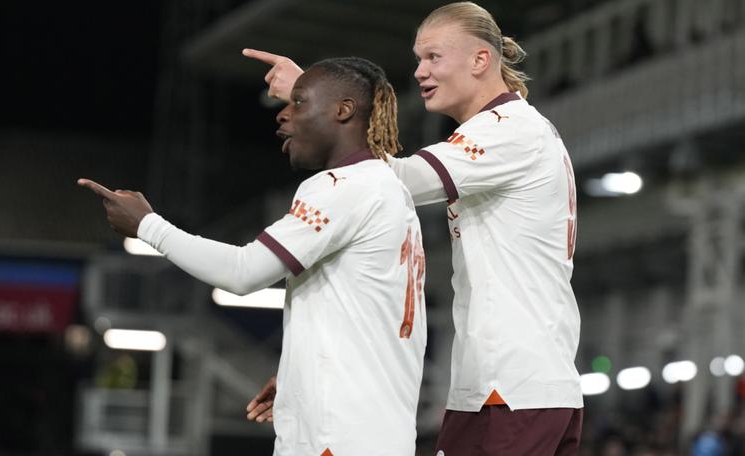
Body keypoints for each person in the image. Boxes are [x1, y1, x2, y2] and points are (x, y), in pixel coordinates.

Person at [243, 2, 583, 455]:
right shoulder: (512, 129)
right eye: (419, 58)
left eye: (434, 57)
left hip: (511, 388)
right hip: (508, 386)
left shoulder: (510, 130)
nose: (420, 71)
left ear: (481, 60)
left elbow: (385, 179)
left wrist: (314, 101)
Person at [79, 56, 427, 456]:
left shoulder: (343, 187)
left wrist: (148, 226)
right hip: (375, 431)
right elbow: (364, 312)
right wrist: (300, 375)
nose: (283, 116)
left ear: (343, 110)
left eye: (299, 103)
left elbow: (243, 272)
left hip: (339, 438)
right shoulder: (388, 189)